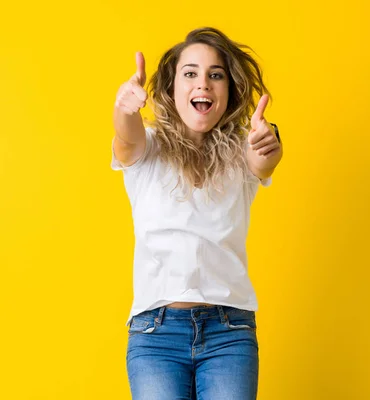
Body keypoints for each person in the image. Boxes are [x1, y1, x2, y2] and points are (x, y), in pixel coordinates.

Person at [110, 27, 283, 400]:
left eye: (215, 75)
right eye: (190, 73)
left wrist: (268, 148)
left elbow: (262, 161)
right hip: (156, 336)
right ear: (172, 88)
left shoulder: (242, 151)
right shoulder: (148, 148)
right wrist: (124, 108)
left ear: (228, 90)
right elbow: (127, 137)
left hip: (229, 332)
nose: (202, 83)